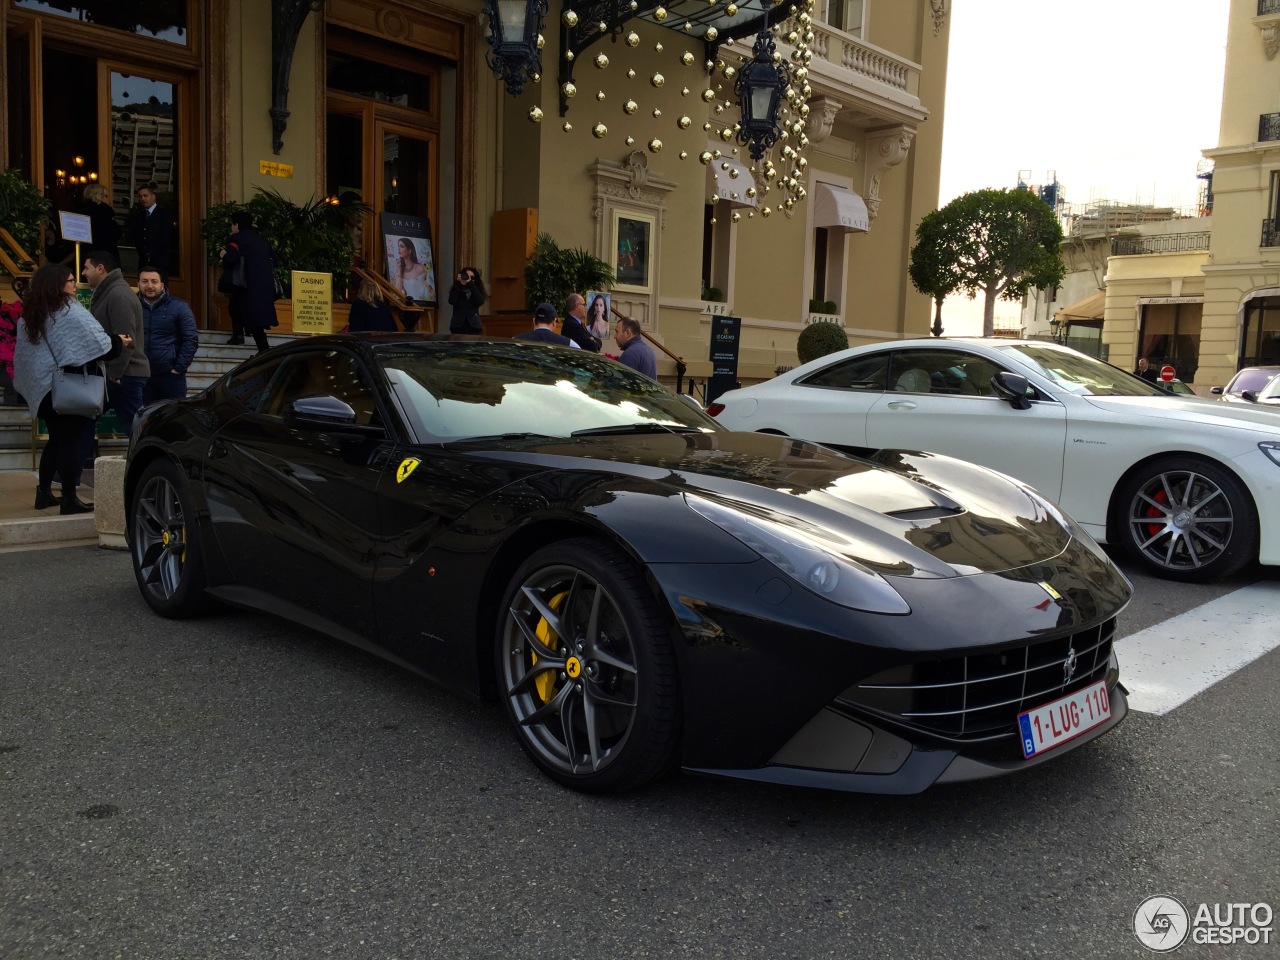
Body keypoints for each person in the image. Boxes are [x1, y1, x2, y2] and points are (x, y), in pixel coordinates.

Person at [12, 262, 131, 514]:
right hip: (68, 388)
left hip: (45, 389)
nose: (75, 285)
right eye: (70, 281)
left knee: (56, 441)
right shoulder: (68, 310)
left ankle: (44, 493)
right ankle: (68, 499)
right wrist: (119, 342)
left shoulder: (31, 314)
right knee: (70, 442)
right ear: (58, 285)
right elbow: (98, 346)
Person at [84, 250, 149, 434]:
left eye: (86, 268)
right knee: (84, 421)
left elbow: (126, 339)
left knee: (135, 429)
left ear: (100, 268)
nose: (83, 273)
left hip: (124, 374)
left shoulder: (118, 294)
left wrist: (116, 374)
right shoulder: (111, 291)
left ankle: (145, 461)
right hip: (116, 373)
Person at [219, 211, 278, 353]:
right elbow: (274, 258)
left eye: (232, 224)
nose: (231, 227)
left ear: (237, 225)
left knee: (243, 311)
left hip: (244, 284)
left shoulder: (236, 239)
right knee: (247, 311)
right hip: (263, 284)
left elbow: (231, 259)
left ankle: (261, 348)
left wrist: (223, 255)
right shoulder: (261, 240)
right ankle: (245, 339)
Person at [137, 267, 198, 404]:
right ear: (138, 284)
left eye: (154, 281)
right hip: (141, 375)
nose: (150, 286)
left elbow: (191, 339)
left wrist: (178, 368)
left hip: (171, 377)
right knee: (143, 421)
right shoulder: (131, 306)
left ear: (162, 285)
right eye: (145, 281)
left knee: (173, 420)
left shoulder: (179, 307)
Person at [125, 181, 173, 276]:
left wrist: (152, 253)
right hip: (144, 261)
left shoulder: (163, 214)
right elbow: (137, 236)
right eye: (140, 196)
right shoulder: (140, 216)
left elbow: (166, 236)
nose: (143, 199)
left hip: (159, 261)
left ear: (153, 196)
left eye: (145, 196)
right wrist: (143, 253)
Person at [81, 183, 121, 262]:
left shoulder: (81, 210)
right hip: (104, 256)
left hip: (86, 255)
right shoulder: (104, 212)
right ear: (100, 196)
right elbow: (115, 233)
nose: (107, 199)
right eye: (106, 196)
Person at [447, 266, 486, 333]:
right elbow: (452, 301)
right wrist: (458, 283)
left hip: (473, 326)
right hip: (458, 326)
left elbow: (480, 301)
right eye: (467, 276)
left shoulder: (476, 290)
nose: (469, 279)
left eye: (472, 277)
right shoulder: (457, 289)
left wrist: (471, 284)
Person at [393, 238, 430, 303]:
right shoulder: (400, 270)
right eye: (398, 246)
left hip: (422, 304)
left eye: (402, 246)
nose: (399, 249)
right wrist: (399, 270)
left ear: (409, 251)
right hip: (408, 305)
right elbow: (397, 293)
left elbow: (429, 289)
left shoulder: (421, 268)